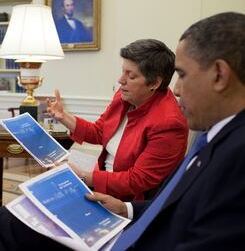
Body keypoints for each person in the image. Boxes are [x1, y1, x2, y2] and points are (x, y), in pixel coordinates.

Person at [0, 12, 245, 251]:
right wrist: (127, 208)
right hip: (116, 204)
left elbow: (178, 214)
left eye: (182, 75)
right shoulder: (223, 132)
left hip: (126, 231)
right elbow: (102, 134)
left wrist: (93, 183)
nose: (177, 90)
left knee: (5, 224)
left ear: (219, 74)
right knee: (7, 217)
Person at [48, 39, 188, 202]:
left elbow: (138, 180)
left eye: (131, 76)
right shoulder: (124, 97)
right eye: (123, 71)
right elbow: (99, 132)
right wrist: (63, 116)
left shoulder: (169, 123)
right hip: (102, 179)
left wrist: (84, 177)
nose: (121, 80)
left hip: (127, 200)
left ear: (155, 82)